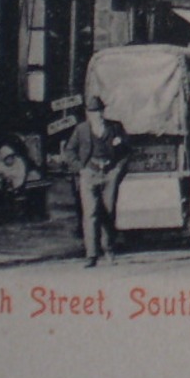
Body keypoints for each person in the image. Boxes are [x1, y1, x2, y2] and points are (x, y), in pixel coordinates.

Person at [64, 93, 129, 267]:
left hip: (109, 174)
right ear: (88, 113)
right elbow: (69, 151)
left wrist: (117, 171)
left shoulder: (115, 128)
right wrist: (81, 169)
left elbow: (127, 152)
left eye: (100, 111)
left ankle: (109, 251)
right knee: (90, 213)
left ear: (104, 111)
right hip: (89, 174)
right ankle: (91, 255)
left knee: (108, 212)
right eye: (93, 112)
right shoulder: (81, 129)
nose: (97, 115)